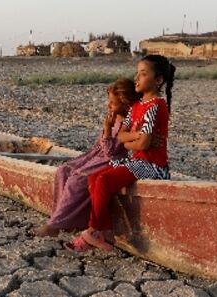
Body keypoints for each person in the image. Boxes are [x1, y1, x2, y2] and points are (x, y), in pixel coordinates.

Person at [67, 54, 176, 252]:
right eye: (137, 74)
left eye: (143, 74)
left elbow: (142, 145)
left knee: (104, 181)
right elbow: (123, 138)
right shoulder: (136, 106)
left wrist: (135, 141)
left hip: (153, 166)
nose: (137, 78)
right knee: (93, 178)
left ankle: (93, 229)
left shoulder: (156, 106)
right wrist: (137, 138)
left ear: (158, 80)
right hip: (138, 163)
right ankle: (106, 231)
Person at [31, 78, 138, 236]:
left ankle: (55, 225)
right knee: (63, 170)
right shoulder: (113, 119)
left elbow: (109, 152)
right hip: (96, 156)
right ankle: (60, 220)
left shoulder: (126, 125)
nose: (109, 106)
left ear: (126, 104)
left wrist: (107, 130)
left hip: (111, 160)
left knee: (77, 180)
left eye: (113, 103)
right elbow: (98, 147)